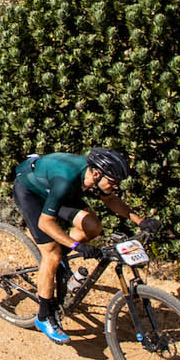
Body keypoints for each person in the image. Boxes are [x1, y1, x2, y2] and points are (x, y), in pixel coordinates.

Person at [13, 148, 140, 345]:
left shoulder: (94, 177)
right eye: (113, 182)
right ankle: (44, 316)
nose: (115, 187)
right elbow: (45, 223)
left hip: (52, 188)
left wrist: (141, 221)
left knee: (93, 227)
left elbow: (111, 200)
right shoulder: (66, 181)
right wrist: (76, 246)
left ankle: (60, 262)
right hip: (30, 191)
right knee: (52, 255)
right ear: (97, 174)